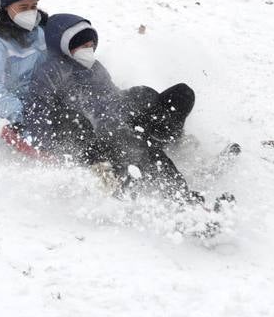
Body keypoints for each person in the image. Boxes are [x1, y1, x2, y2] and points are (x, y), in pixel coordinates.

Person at [21, 13, 200, 201]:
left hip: (115, 125)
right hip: (94, 143)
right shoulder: (51, 71)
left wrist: (138, 102)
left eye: (91, 45)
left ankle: (174, 147)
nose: (89, 50)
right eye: (83, 46)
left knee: (180, 93)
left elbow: (113, 97)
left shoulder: (95, 67)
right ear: (66, 47)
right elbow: (38, 109)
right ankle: (182, 199)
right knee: (138, 146)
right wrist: (43, 144)